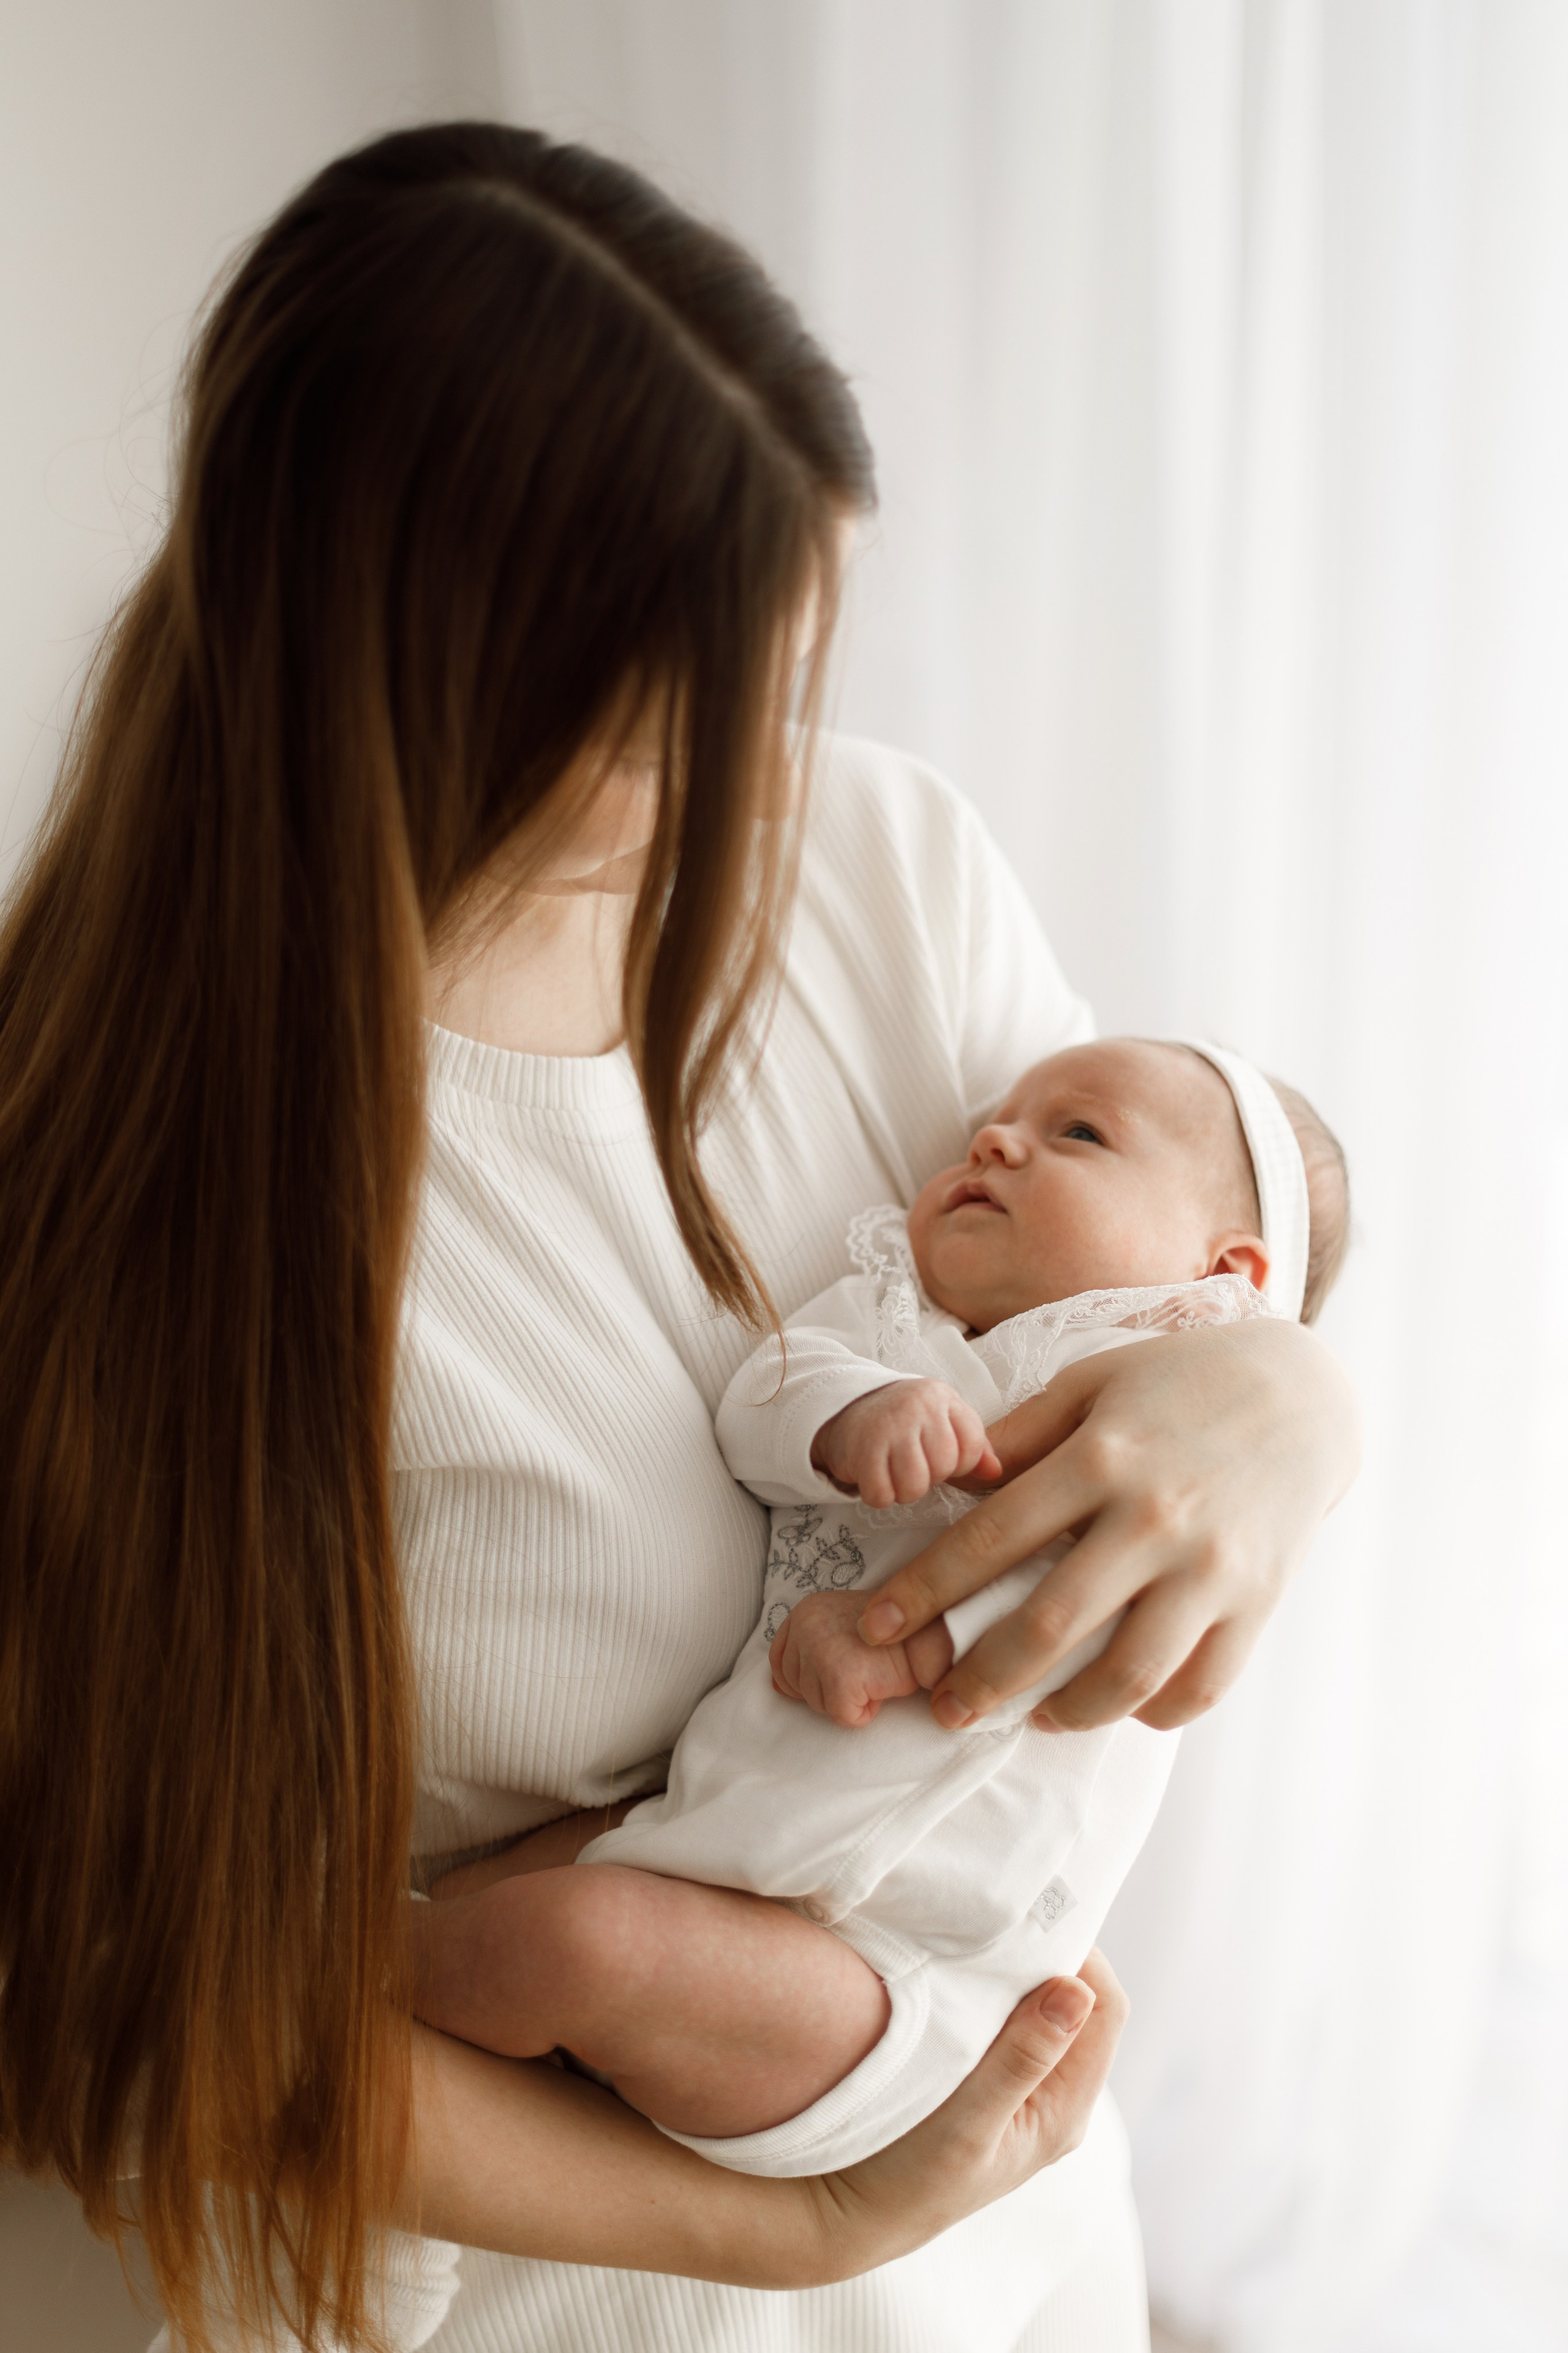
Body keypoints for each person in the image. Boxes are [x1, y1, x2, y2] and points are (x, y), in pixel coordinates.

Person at [0, 122, 1359, 2353]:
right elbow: (138, 2023)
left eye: (788, 672)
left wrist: (1289, 1401)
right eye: (679, 722)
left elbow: (1183, 1255)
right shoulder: (122, 1198)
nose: (767, 776)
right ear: (425, 687)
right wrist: (803, 2239)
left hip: (1004, 2253)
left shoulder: (882, 861)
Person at [407, 1040, 1348, 2201]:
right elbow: (761, 1393)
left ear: (1222, 1275)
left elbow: (1100, 1607)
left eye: (1079, 1133)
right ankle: (383, 1997)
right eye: (995, 1123)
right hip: (700, 1833)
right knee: (516, 1903)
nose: (995, 1139)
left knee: (582, 1946)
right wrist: (849, 1412)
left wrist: (907, 1639)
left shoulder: (1160, 1411)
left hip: (902, 1973)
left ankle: (343, 1977)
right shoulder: (892, 1317)